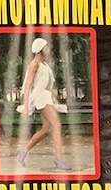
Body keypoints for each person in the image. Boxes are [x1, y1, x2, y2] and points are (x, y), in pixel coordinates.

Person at [16, 37, 69, 171]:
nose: (49, 49)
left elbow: (48, 85)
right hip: (41, 98)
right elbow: (28, 85)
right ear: (40, 50)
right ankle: (59, 159)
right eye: (46, 47)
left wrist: (55, 100)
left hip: (46, 97)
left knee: (46, 129)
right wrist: (26, 106)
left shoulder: (44, 65)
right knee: (57, 124)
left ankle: (24, 150)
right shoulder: (34, 64)